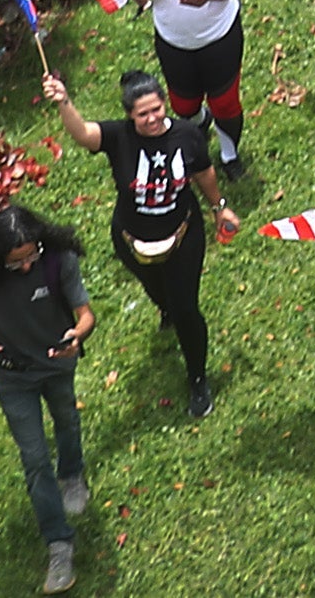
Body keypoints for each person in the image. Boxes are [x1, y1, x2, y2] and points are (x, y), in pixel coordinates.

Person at [41, 66, 238, 419]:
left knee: (186, 309)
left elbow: (204, 171)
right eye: (142, 114)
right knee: (157, 291)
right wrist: (64, 101)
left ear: (164, 104)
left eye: (156, 109)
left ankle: (197, 378)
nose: (151, 118)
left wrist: (219, 207)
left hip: (183, 235)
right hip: (132, 240)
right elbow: (83, 134)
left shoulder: (187, 134)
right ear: (130, 115)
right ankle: (165, 307)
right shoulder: (119, 137)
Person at [0, 201, 96, 594]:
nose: (26, 266)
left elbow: (86, 314)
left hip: (56, 364)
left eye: (31, 255)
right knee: (34, 458)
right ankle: (59, 545)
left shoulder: (59, 260)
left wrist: (77, 336)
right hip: (13, 376)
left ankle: (72, 474)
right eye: (15, 261)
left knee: (66, 419)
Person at [125, 0, 250, 179]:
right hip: (173, 40)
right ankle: (200, 123)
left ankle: (229, 156)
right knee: (183, 105)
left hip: (218, 36)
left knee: (225, 103)